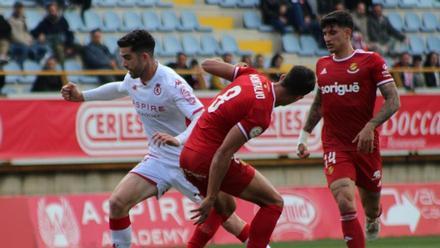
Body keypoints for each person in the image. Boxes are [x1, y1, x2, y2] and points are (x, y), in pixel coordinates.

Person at [61, 30, 252, 248]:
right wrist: (82, 96)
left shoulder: (172, 83)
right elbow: (118, 88)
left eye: (127, 57)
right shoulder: (133, 79)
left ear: (144, 57)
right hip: (159, 159)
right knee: (117, 203)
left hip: (189, 160)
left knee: (229, 219)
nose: (123, 63)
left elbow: (201, 115)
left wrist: (178, 139)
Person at [180, 60, 316, 248]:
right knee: (273, 202)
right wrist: (210, 197)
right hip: (207, 158)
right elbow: (223, 153)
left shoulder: (253, 75)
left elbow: (207, 64)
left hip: (186, 155)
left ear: (283, 77)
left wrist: (238, 70)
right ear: (299, 97)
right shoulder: (261, 113)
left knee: (226, 208)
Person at [297, 11, 400, 248]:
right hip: (335, 145)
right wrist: (304, 135)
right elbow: (319, 104)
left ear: (347, 33)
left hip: (366, 145)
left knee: (371, 206)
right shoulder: (322, 65)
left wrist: (371, 125)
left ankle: (373, 218)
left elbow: (393, 100)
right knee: (345, 201)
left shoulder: (371, 61)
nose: (327, 38)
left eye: (332, 32)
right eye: (324, 33)